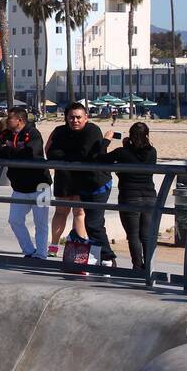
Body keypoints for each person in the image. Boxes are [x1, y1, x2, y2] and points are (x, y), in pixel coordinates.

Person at [45, 101, 116, 265]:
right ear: (66, 118)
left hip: (84, 180)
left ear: (86, 118)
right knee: (61, 212)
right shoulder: (59, 131)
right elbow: (49, 151)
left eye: (78, 117)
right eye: (71, 117)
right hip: (64, 177)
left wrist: (64, 155)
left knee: (80, 213)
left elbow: (86, 154)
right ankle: (54, 247)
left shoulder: (92, 130)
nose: (75, 121)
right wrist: (71, 157)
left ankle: (82, 248)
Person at [0, 107, 53, 259]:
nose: (6, 120)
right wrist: (10, 151)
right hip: (19, 187)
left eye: (9, 118)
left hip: (41, 186)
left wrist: (7, 150)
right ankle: (29, 250)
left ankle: (41, 254)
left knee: (40, 223)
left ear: (19, 120)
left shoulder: (33, 133)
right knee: (15, 220)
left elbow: (30, 153)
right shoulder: (6, 134)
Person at [99, 122, 158, 273]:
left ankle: (137, 267)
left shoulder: (122, 152)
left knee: (133, 235)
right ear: (147, 135)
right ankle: (149, 267)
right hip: (149, 196)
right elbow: (138, 154)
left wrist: (106, 140)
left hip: (129, 196)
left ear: (130, 136)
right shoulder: (152, 152)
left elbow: (100, 157)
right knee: (146, 235)